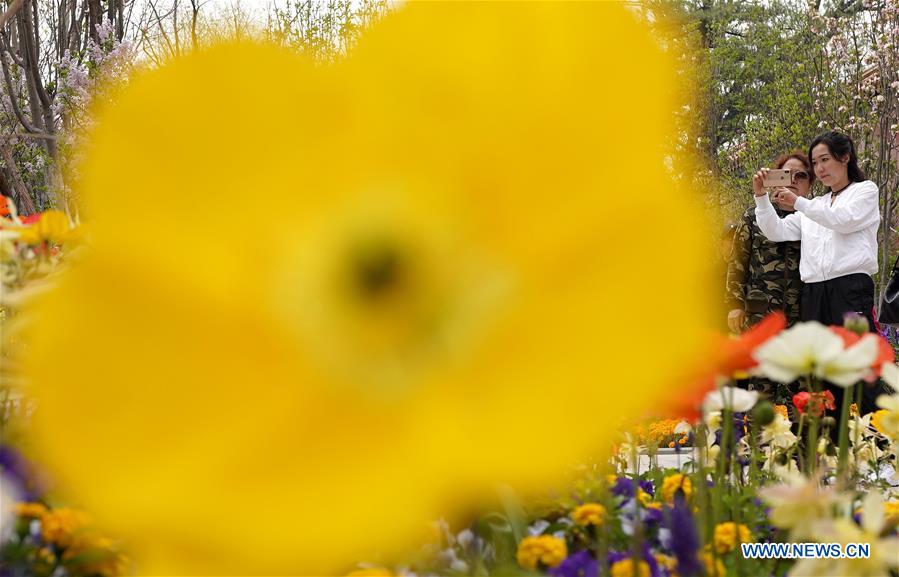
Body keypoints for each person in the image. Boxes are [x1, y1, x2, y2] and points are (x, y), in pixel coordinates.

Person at [753, 130, 883, 413]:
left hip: (849, 288)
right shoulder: (816, 205)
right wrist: (761, 197)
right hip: (813, 293)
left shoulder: (865, 191)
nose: (820, 169)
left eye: (825, 159)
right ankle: (832, 445)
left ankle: (879, 444)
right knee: (823, 373)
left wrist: (798, 202)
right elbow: (776, 231)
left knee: (862, 365)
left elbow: (843, 221)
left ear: (845, 157)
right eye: (815, 163)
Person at [726, 152, 812, 333]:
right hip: (759, 316)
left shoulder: (815, 219)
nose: (793, 180)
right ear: (774, 179)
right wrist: (735, 304)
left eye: (801, 175)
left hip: (801, 321)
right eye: (787, 174)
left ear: (810, 184)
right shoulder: (753, 215)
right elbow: (737, 263)